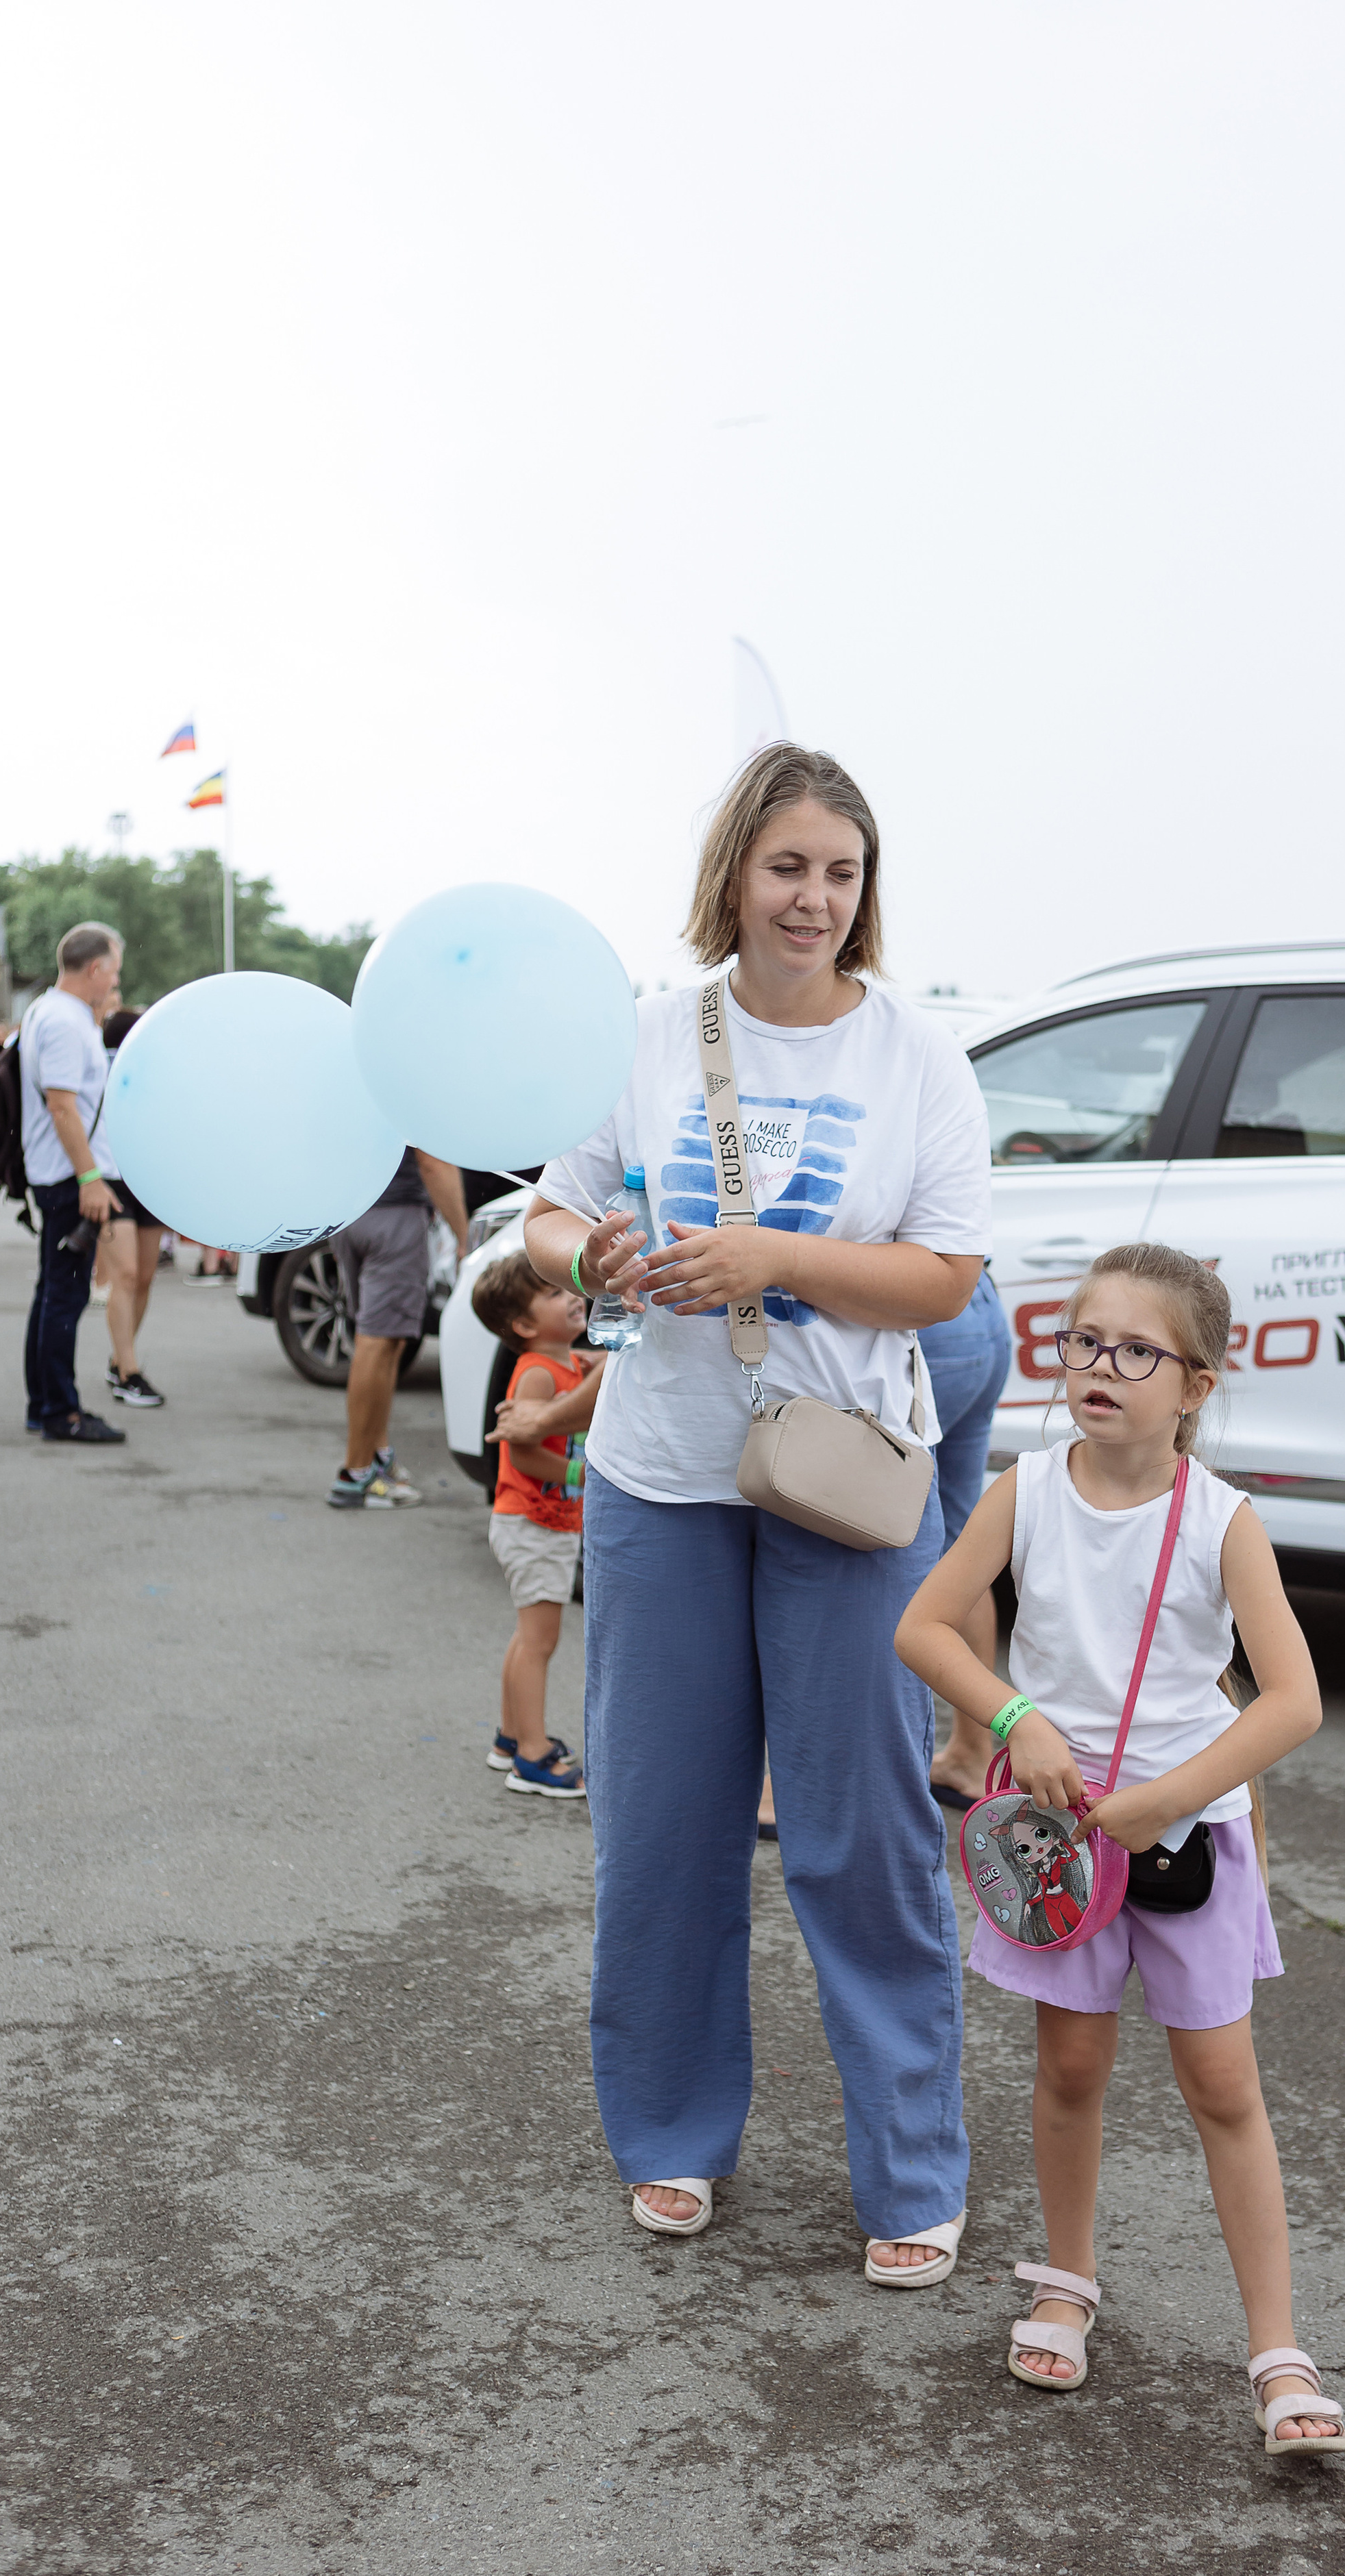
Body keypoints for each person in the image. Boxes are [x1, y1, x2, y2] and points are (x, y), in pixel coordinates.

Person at [522, 741, 989, 2279]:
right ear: (731, 872)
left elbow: (944, 1278)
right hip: (660, 1478)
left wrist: (768, 1262)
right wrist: (592, 1256)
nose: (813, 898)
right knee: (660, 1832)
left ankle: (911, 2168)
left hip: (844, 1481)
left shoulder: (915, 1057)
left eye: (840, 873)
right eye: (787, 866)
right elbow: (550, 1212)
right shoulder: (649, 1036)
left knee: (859, 1842)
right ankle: (667, 2136)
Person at [894, 1242, 1345, 2455]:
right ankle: (1065, 2282)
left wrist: (1169, 1796)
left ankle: (1278, 2349)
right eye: (1082, 1342)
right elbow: (926, 1627)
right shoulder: (1025, 1491)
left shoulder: (1224, 1521)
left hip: (1183, 1841)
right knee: (1073, 2070)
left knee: (1223, 2086)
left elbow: (1291, 1701)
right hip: (1055, 1853)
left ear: (1195, 1384)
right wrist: (1012, 1717)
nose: (1101, 1367)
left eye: (1135, 1350)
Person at [470, 1252, 603, 1796]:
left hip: (539, 1521)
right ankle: (531, 1754)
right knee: (539, 1642)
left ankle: (509, 1736)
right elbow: (523, 1456)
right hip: (534, 1522)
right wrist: (580, 1472)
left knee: (528, 1638)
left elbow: (594, 1365)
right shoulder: (538, 1376)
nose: (573, 1295)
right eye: (553, 1294)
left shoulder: (564, 1364)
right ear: (524, 1327)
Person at [19, 923, 129, 1445]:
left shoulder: (48, 1010)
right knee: (65, 1296)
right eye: (114, 970)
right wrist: (90, 1177)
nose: (115, 981)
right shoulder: (65, 1021)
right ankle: (61, 1413)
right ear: (94, 968)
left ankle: (43, 1404)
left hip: (57, 1171)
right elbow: (62, 1106)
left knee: (52, 1293)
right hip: (68, 1175)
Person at [328, 1148, 468, 1509]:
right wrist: (464, 1235)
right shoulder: (414, 1090)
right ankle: (355, 1474)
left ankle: (376, 1456)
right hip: (394, 1215)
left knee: (384, 1343)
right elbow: (434, 1160)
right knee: (377, 1344)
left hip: (349, 1213)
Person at [921, 1271, 1013, 1806]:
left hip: (918, 1329)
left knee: (842, 1554)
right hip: (980, 1310)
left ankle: (788, 1786)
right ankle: (972, 1753)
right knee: (960, 1551)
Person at [94, 1009, 167, 1406]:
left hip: (149, 1181)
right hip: (109, 1179)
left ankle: (118, 1359)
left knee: (145, 1277)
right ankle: (129, 1372)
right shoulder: (98, 1068)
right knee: (125, 1275)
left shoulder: (153, 1070)